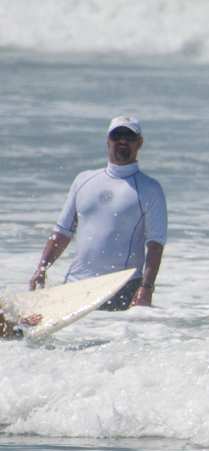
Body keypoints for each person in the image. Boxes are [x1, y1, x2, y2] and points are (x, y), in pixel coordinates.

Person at [29, 116, 168, 310]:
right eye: (117, 135)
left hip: (121, 287)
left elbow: (155, 244)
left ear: (140, 143)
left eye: (129, 136)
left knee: (111, 339)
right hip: (75, 286)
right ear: (108, 140)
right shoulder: (83, 180)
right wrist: (41, 268)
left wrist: (146, 288)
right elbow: (62, 232)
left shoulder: (150, 189)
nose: (122, 140)